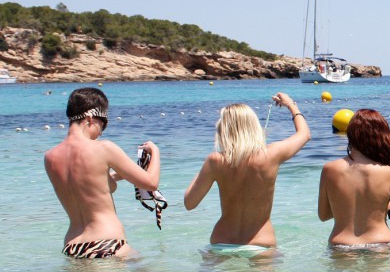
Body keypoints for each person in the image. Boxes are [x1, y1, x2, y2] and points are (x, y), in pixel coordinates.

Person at [184, 93, 310, 255]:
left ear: (224, 129)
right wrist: (292, 105)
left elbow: (189, 203)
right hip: (261, 243)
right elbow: (304, 134)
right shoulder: (270, 155)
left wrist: (207, 167)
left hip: (221, 242)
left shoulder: (215, 161)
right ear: (254, 126)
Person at [45, 87, 161, 259]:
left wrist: (118, 175)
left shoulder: (50, 157)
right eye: (103, 123)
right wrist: (155, 151)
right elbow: (151, 183)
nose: (101, 131)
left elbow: (90, 186)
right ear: (90, 118)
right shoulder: (104, 147)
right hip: (107, 242)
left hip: (72, 247)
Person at [318, 109, 390, 249]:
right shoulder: (388, 172)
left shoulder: (329, 169)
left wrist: (344, 208)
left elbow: (323, 215)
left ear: (351, 135)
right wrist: (386, 209)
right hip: (380, 244)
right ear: (381, 136)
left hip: (341, 244)